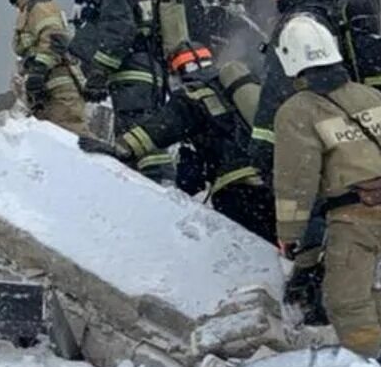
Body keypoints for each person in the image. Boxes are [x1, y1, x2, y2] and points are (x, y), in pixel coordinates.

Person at [271, 18, 381, 361]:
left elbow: (297, 179)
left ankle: (372, 360)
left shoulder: (297, 112)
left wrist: (290, 233)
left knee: (343, 298)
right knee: (362, 284)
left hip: (355, 214)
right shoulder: (366, 95)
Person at [83, 43, 275, 243]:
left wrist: (122, 148)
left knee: (251, 251)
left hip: (236, 188)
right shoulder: (240, 91)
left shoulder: (191, 95)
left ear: (177, 72)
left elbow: (161, 128)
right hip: (273, 180)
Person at [249, 0, 381, 175]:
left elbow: (276, 90)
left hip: (313, 137)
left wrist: (262, 147)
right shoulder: (331, 16)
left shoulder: (297, 27)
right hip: (351, 131)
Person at [68, 0, 170, 181]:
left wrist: (99, 74)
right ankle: (162, 186)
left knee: (134, 136)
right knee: (148, 135)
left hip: (132, 77)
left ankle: (153, 189)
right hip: (151, 73)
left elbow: (119, 34)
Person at [0, 0, 89, 136]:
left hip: (60, 91)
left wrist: (39, 70)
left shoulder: (41, 7)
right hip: (47, 91)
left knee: (71, 142)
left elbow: (55, 38)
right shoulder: (30, 9)